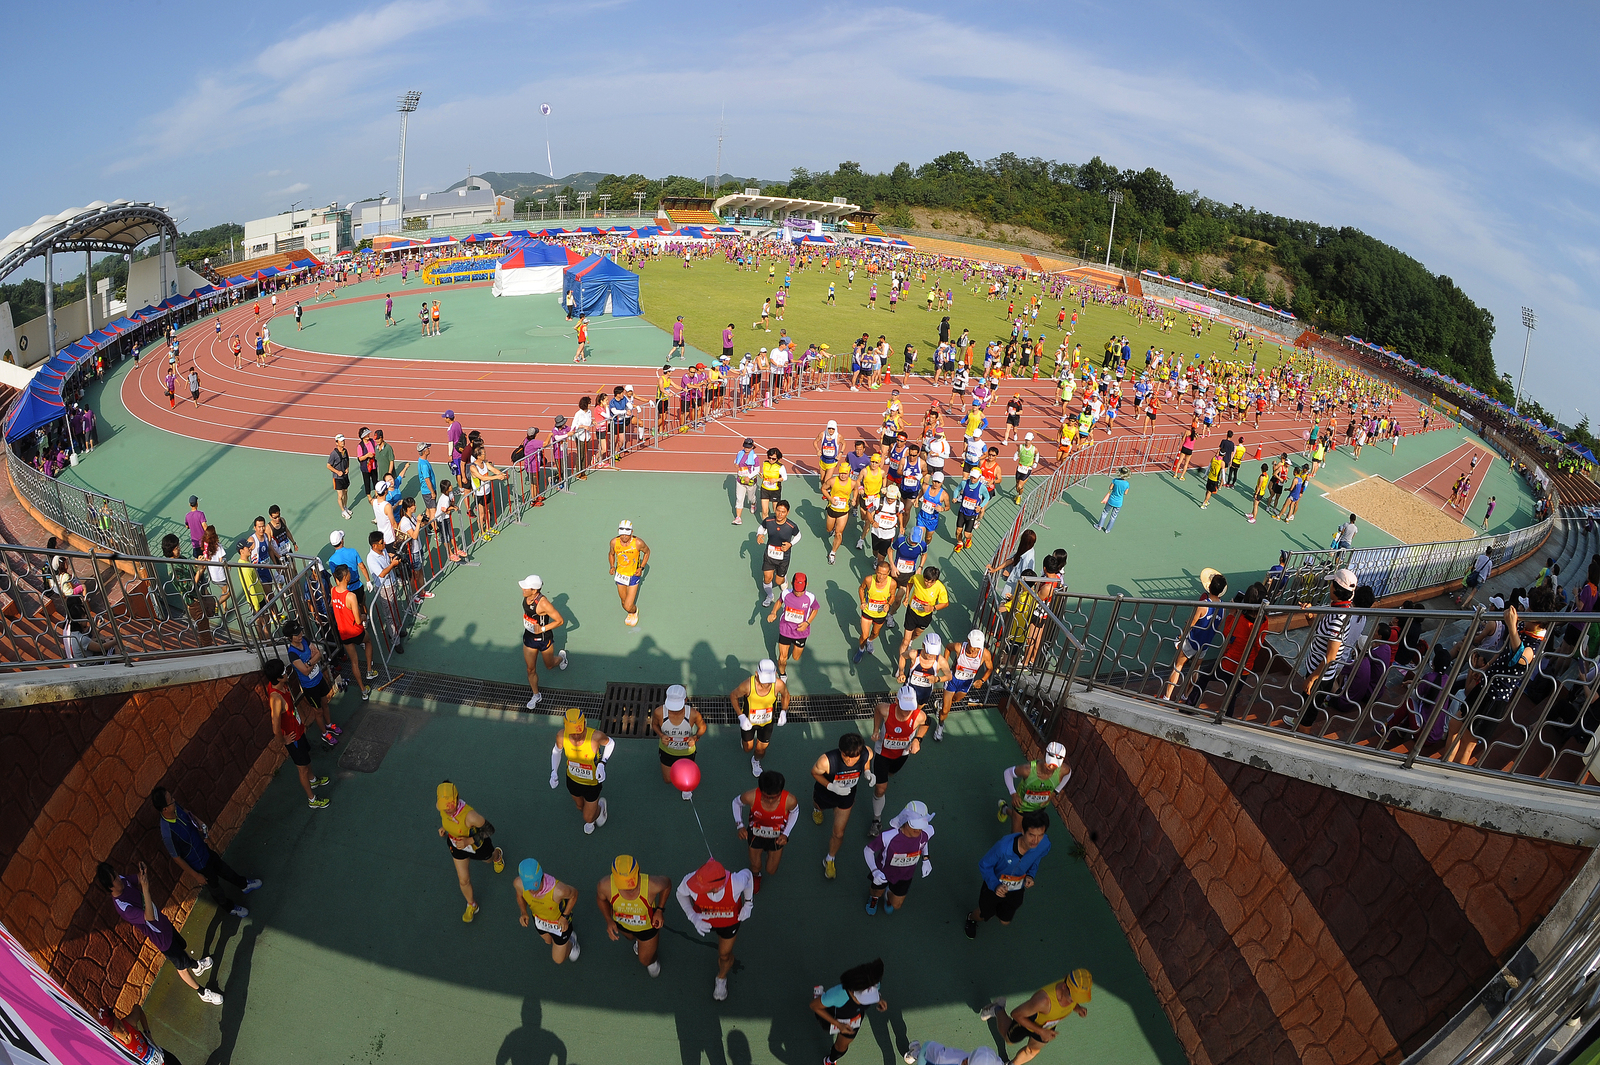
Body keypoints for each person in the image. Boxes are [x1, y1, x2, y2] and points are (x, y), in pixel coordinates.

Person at [96, 862, 223, 1005]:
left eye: (116, 874)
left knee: (181, 948)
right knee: (181, 967)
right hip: (161, 938)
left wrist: (143, 872)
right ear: (110, 887)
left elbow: (138, 878)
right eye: (115, 879)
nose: (119, 878)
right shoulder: (123, 907)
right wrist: (145, 889)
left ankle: (196, 966)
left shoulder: (123, 880)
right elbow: (149, 916)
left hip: (163, 923)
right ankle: (202, 993)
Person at [150, 786, 260, 921]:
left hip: (205, 850)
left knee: (225, 869)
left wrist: (199, 822)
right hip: (199, 865)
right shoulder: (167, 834)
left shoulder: (175, 807)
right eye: (171, 800)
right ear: (165, 809)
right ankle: (230, 908)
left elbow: (187, 812)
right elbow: (177, 858)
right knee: (216, 889)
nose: (174, 800)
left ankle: (244, 885)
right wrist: (196, 875)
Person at [676, 858, 755, 1001]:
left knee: (724, 955)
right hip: (704, 921)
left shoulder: (736, 882)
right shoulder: (691, 880)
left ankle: (721, 977)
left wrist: (748, 903)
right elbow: (680, 893)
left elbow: (748, 875)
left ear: (717, 888)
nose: (695, 887)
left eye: (702, 887)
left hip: (729, 923)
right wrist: (692, 916)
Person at [964, 809, 1051, 939]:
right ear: (1023, 831)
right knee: (984, 915)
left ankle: (997, 909)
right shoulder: (1003, 847)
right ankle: (971, 918)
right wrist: (995, 885)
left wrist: (1030, 875)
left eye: (1040, 835)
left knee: (1005, 921)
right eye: (1031, 835)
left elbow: (1037, 857)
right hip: (994, 887)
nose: (1036, 841)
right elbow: (984, 865)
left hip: (1017, 888)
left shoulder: (1044, 844)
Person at [979, 970, 1093, 1065]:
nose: (1075, 1000)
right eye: (1074, 996)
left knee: (1031, 1051)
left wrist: (1077, 1008)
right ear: (1064, 987)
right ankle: (998, 1008)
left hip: (1047, 1026)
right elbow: (1016, 1014)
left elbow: (1073, 1001)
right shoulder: (1043, 1001)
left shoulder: (1071, 991)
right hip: (1028, 1022)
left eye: (1079, 997)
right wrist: (1041, 1032)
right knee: (1009, 1040)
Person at [435, 780, 504, 922]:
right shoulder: (443, 809)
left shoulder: (470, 816)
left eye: (450, 806)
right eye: (444, 806)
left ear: (457, 798)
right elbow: (447, 820)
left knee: (488, 859)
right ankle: (472, 904)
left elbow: (490, 830)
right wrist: (445, 829)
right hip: (457, 847)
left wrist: (469, 841)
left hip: (477, 846)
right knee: (463, 880)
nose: (447, 810)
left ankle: (497, 856)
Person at [811, 732, 876, 879]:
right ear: (841, 751)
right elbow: (814, 773)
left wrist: (867, 772)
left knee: (839, 833)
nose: (850, 761)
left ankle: (830, 859)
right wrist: (831, 787)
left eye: (855, 758)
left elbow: (867, 759)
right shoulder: (826, 761)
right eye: (846, 756)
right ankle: (817, 809)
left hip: (847, 797)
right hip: (826, 793)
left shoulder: (867, 752)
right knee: (819, 806)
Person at [266, 660, 330, 807]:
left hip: (299, 731)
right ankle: (312, 800)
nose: (287, 673)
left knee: (307, 761)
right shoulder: (276, 699)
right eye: (284, 672)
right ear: (278, 678)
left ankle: (313, 780)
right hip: (293, 739)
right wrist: (284, 740)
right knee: (302, 769)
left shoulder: (279, 684)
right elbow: (275, 727)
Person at [868, 684, 931, 830]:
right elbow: (877, 710)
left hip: (902, 754)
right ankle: (876, 819)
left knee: (891, 773)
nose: (907, 711)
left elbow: (927, 722)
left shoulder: (919, 716)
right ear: (896, 701)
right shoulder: (885, 710)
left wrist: (918, 739)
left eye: (910, 707)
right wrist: (876, 730)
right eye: (904, 707)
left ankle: (888, 774)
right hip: (882, 753)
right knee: (881, 789)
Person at [597, 855, 669, 977]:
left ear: (638, 872)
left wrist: (660, 910)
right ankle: (639, 943)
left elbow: (667, 884)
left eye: (631, 883)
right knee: (630, 937)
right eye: (623, 885)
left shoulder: (652, 884)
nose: (628, 889)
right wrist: (608, 920)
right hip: (622, 924)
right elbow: (601, 899)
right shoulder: (604, 885)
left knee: (645, 960)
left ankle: (652, 959)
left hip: (647, 928)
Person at [1162, 569, 1227, 701]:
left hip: (1192, 641)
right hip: (1204, 645)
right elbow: (1218, 627)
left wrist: (1180, 638)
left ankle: (1166, 697)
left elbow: (1191, 624)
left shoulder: (1203, 605)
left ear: (1210, 587)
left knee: (1178, 666)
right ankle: (1186, 695)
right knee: (1195, 669)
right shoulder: (1223, 608)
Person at [809, 958, 888, 1065]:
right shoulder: (839, 994)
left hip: (855, 1019)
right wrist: (838, 1024)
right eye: (865, 998)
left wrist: (879, 999)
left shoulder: (873, 983)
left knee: (841, 1047)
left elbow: (875, 992)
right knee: (821, 1011)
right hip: (834, 1016)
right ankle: (820, 997)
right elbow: (814, 1006)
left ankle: (830, 1061)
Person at [863, 800, 934, 915]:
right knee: (876, 892)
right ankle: (874, 898)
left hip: (905, 875)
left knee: (896, 905)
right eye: (915, 825)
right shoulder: (888, 836)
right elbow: (868, 850)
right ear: (905, 820)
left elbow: (924, 842)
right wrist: (875, 871)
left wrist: (926, 858)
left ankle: (888, 894)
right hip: (883, 873)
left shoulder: (926, 832)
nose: (918, 830)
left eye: (921, 826)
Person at [735, 769, 798, 891]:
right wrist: (740, 825)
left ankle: (769, 853)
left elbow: (795, 812)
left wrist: (786, 834)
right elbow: (736, 803)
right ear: (760, 790)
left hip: (777, 837)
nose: (770, 800)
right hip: (755, 835)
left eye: (774, 797)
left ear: (781, 791)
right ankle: (756, 876)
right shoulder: (751, 796)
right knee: (755, 866)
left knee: (771, 870)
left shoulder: (790, 800)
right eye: (766, 796)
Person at [514, 857, 580, 964]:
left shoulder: (558, 890)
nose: (533, 891)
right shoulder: (518, 884)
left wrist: (565, 916)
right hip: (540, 921)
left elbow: (574, 894)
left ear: (541, 877)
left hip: (559, 924)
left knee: (558, 959)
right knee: (548, 941)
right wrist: (523, 912)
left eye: (535, 885)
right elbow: (519, 895)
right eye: (529, 887)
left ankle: (572, 942)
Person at [730, 659, 789, 776]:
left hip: (767, 722)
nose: (767, 684)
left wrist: (784, 711)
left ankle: (756, 761)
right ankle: (745, 740)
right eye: (764, 680)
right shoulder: (747, 685)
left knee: (761, 749)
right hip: (749, 722)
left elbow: (786, 695)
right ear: (756, 674)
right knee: (747, 748)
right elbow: (733, 696)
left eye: (769, 680)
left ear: (775, 674)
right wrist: (741, 716)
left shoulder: (778, 684)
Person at [518, 574, 568, 710]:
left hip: (544, 639)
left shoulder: (544, 603)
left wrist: (542, 628)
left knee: (549, 665)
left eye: (526, 587)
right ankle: (536, 695)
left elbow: (560, 621)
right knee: (530, 669)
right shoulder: (527, 597)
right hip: (529, 638)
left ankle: (561, 658)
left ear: (534, 590)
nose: (523, 589)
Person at [999, 742, 1070, 835]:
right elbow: (1008, 773)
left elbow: (1069, 773)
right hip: (1022, 805)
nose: (1051, 767)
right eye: (1049, 762)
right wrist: (1014, 794)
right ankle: (1005, 809)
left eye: (1055, 765)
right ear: (1045, 755)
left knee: (1029, 830)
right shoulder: (1027, 770)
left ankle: (1004, 809)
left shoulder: (1063, 770)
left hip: (1039, 807)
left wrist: (1055, 792)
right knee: (1015, 835)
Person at [936, 630, 993, 741]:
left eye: (978, 647)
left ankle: (941, 704)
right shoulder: (959, 647)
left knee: (956, 700)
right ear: (968, 640)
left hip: (966, 683)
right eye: (973, 646)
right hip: (952, 679)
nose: (975, 650)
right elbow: (948, 648)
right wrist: (945, 665)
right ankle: (940, 726)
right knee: (946, 710)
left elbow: (990, 668)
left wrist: (982, 680)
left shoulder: (985, 654)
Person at [651, 684, 706, 799]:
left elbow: (702, 727)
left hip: (687, 752)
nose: (674, 710)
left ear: (685, 700)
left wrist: (695, 737)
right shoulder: (659, 712)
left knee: (687, 780)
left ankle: (686, 788)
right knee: (668, 780)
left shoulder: (693, 714)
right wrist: (661, 735)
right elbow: (654, 725)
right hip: (667, 751)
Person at [328, 561, 373, 700]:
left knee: (354, 662)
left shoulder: (333, 591)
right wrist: (364, 616)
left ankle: (363, 690)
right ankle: (369, 671)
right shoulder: (351, 596)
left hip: (343, 633)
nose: (350, 574)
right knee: (368, 641)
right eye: (348, 573)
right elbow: (358, 620)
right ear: (346, 577)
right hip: (355, 631)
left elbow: (333, 605)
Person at [768, 571, 819, 678]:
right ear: (791, 583)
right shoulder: (785, 593)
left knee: (796, 657)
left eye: (801, 590)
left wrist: (807, 623)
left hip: (801, 632)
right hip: (785, 630)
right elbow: (779, 602)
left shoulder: (810, 597)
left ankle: (793, 645)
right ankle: (783, 675)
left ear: (806, 585)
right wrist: (773, 612)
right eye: (796, 590)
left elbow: (815, 609)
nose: (798, 593)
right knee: (782, 657)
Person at [757, 499, 802, 607]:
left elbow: (798, 536)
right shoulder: (769, 521)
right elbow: (762, 527)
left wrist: (790, 544)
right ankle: (770, 596)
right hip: (769, 555)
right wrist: (759, 534)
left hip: (783, 557)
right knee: (767, 577)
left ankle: (784, 578)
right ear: (775, 510)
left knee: (778, 581)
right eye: (778, 511)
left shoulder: (791, 526)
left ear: (787, 512)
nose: (780, 514)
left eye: (783, 512)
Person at [854, 558, 898, 665]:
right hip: (868, 612)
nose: (881, 577)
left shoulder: (892, 583)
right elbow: (861, 589)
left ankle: (870, 641)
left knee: (875, 633)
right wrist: (862, 601)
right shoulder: (869, 579)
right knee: (864, 635)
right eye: (879, 573)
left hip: (880, 614)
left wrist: (888, 604)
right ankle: (861, 649)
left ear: (888, 573)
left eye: (884, 574)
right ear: (876, 571)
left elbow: (893, 595)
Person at [608, 520, 649, 626]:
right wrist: (612, 566)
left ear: (632, 532)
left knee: (628, 605)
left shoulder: (638, 543)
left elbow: (647, 552)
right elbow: (611, 554)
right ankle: (630, 612)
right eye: (622, 534)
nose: (624, 537)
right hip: (620, 575)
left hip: (633, 576)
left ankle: (634, 611)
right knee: (623, 602)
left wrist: (641, 568)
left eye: (627, 534)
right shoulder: (614, 542)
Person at [732, 437, 761, 525]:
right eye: (745, 446)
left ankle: (753, 503)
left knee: (750, 497)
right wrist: (735, 464)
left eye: (748, 447)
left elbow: (757, 470)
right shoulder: (740, 453)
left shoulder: (755, 457)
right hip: (740, 480)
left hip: (750, 481)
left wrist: (749, 477)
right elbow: (736, 461)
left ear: (752, 447)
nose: (746, 448)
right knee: (739, 498)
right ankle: (738, 518)